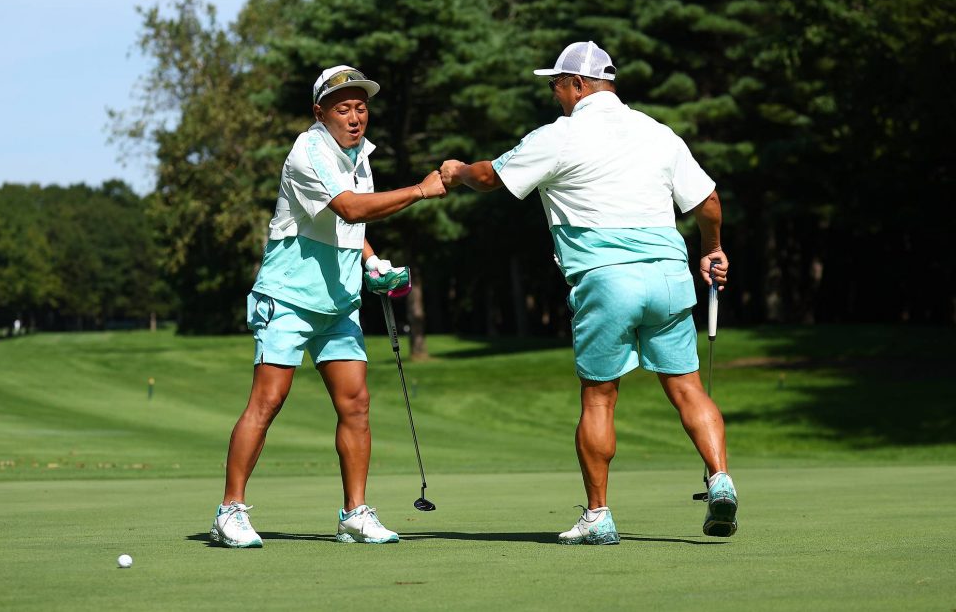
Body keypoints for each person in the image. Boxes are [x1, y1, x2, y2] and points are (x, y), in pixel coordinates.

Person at [439, 41, 737, 544]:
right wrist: (712, 249)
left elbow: (491, 177)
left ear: (578, 84)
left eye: (556, 85)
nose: (554, 94)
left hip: (606, 277)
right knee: (688, 388)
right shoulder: (657, 131)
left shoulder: (561, 135)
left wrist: (456, 172)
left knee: (599, 399)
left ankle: (598, 516)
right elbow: (707, 201)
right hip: (668, 275)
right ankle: (721, 478)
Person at [210, 65, 446, 548]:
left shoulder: (359, 156)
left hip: (337, 302)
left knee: (355, 404)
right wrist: (421, 190)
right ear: (320, 113)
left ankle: (355, 513)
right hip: (288, 297)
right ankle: (229, 511)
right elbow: (350, 208)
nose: (355, 117)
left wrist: (372, 261)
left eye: (361, 107)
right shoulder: (309, 151)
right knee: (268, 400)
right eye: (343, 109)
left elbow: (350, 227)